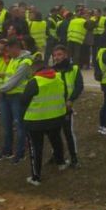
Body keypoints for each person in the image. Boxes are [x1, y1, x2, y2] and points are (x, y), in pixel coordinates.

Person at [22, 55, 68, 185]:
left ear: (34, 70)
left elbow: (24, 100)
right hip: (56, 117)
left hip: (36, 121)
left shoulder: (34, 82)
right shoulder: (58, 77)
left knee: (36, 148)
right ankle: (61, 162)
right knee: (56, 140)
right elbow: (64, 94)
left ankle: (36, 177)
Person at [0, 38, 32, 163]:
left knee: (20, 125)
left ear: (15, 48)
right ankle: (7, 150)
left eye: (8, 51)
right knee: (6, 125)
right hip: (7, 96)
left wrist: (1, 89)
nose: (7, 54)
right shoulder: (13, 59)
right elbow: (10, 76)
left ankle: (20, 153)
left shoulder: (26, 61)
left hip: (17, 97)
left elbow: (16, 79)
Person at [53, 44, 84, 168]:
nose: (57, 58)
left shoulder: (74, 69)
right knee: (54, 133)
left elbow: (79, 86)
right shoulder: (52, 70)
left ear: (66, 55)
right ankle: (56, 155)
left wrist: (71, 100)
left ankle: (74, 157)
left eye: (59, 54)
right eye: (54, 55)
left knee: (68, 133)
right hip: (53, 107)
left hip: (67, 107)